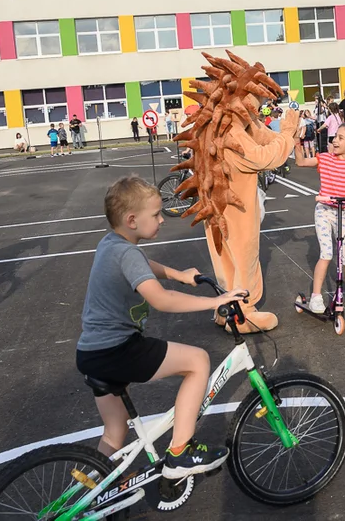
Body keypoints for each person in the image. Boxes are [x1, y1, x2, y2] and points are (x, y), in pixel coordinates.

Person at [75, 175, 246, 473]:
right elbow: (162, 301)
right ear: (131, 220)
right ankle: (180, 451)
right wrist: (215, 302)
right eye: (155, 215)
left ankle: (82, 497)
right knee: (197, 361)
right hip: (117, 350)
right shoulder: (126, 252)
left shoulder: (111, 244)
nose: (162, 220)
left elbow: (142, 266)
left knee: (114, 433)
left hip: (92, 353)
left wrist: (179, 274)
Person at [293, 123, 345, 318]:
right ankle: (316, 296)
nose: (335, 141)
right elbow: (301, 162)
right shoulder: (326, 159)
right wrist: (296, 142)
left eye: (340, 138)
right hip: (324, 210)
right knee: (327, 253)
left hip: (343, 213)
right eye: (335, 137)